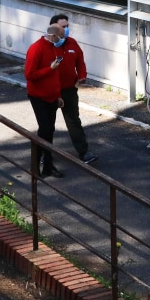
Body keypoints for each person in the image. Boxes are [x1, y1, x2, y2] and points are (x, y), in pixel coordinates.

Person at [49, 14, 98, 164]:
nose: (66, 29)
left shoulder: (72, 43)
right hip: (50, 92)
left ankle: (84, 153)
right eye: (63, 27)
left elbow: (80, 62)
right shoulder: (46, 45)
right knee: (47, 125)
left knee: (74, 121)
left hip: (69, 90)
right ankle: (45, 156)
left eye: (67, 26)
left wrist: (82, 76)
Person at [24, 24, 66, 178]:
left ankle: (47, 165)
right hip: (38, 96)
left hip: (51, 97)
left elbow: (55, 76)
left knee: (49, 131)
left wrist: (58, 95)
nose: (63, 40)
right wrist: (50, 68)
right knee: (45, 130)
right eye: (61, 36)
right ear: (53, 36)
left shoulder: (53, 48)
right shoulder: (36, 48)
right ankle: (36, 165)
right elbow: (30, 74)